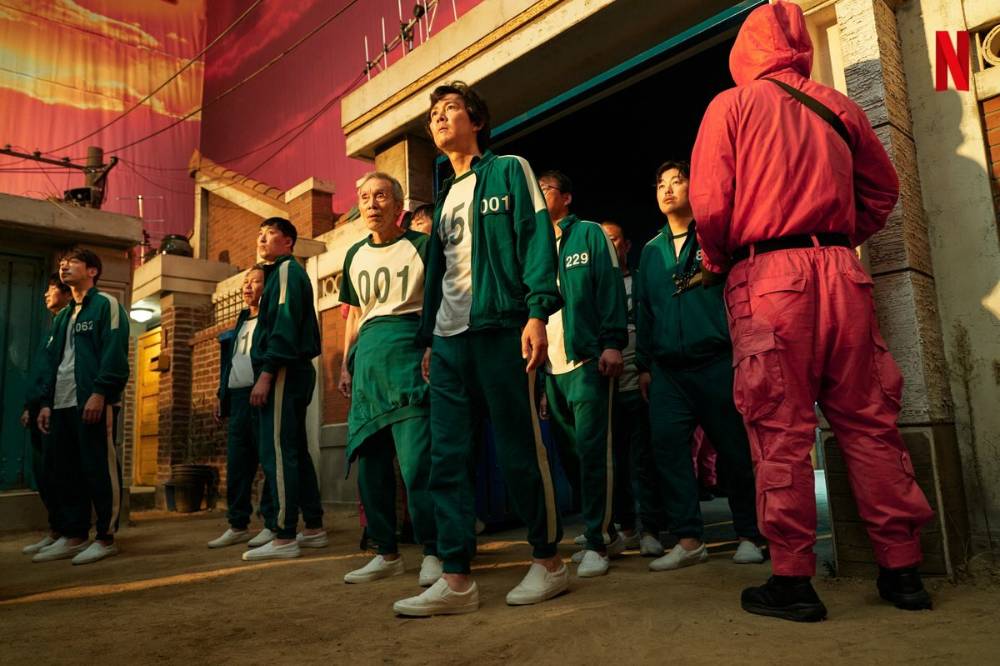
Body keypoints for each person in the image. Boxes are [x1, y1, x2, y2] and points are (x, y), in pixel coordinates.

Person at [690, 0, 935, 621]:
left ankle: (793, 581)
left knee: (780, 430)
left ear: (745, 49)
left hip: (768, 276)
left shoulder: (731, 105)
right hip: (842, 273)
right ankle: (904, 572)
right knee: (869, 423)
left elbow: (710, 204)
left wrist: (719, 259)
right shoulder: (840, 106)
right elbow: (883, 189)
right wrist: (839, 237)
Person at [393, 81, 566, 617]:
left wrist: (536, 312)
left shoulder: (510, 170)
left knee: (518, 449)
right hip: (449, 342)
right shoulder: (445, 196)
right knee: (446, 457)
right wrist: (429, 338)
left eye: (450, 109)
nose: (440, 119)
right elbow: (440, 275)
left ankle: (548, 560)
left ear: (477, 120)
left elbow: (535, 239)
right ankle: (456, 576)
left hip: (501, 328)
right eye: (434, 115)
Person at [636, 161, 763, 574]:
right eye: (660, 183)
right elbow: (645, 311)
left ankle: (751, 534)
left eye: (677, 181)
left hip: (716, 359)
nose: (667, 189)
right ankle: (688, 540)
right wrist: (644, 365)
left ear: (694, 187)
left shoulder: (713, 237)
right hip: (667, 370)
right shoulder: (651, 251)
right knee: (669, 452)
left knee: (734, 450)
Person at [338, 172, 441, 587]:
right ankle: (386, 551)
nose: (371, 203)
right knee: (372, 466)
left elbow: (440, 301)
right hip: (367, 363)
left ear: (398, 206)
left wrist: (432, 344)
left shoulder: (422, 246)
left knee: (418, 465)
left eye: (380, 196)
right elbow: (355, 314)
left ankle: (434, 549)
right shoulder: (354, 255)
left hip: (409, 357)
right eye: (364, 197)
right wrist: (345, 364)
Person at [535, 170, 627, 577]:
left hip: (588, 360)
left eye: (546, 189)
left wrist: (612, 342)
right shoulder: (535, 245)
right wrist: (541, 379)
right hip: (552, 369)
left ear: (567, 197)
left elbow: (609, 286)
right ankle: (604, 530)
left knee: (593, 453)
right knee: (571, 458)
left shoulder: (589, 234)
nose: (539, 195)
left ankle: (598, 540)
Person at [35, 248, 129, 565]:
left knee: (99, 468)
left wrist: (101, 393)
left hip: (92, 400)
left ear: (92, 271)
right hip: (61, 403)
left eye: (72, 262)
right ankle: (74, 535)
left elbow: (115, 353)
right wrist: (46, 403)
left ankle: (105, 537)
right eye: (62, 262)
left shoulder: (106, 305)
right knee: (66, 471)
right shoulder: (63, 317)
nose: (64, 266)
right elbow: (53, 363)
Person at [243, 218, 328, 561]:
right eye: (259, 233)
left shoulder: (287, 271)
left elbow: (285, 325)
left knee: (278, 451)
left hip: (283, 371)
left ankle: (284, 534)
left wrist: (267, 372)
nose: (261, 238)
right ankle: (314, 526)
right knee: (294, 450)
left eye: (270, 233)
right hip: (289, 370)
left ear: (288, 241)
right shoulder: (280, 273)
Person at [600, 221, 667, 558]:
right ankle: (625, 527)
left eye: (613, 239)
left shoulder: (640, 279)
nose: (608, 246)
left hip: (637, 374)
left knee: (643, 456)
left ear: (626, 245)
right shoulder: (595, 282)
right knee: (613, 459)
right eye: (602, 241)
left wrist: (646, 366)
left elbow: (654, 319)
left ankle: (651, 528)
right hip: (603, 380)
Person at [208, 265, 277, 549]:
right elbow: (231, 360)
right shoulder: (240, 319)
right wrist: (221, 393)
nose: (247, 286)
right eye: (245, 282)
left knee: (269, 460)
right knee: (237, 464)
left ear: (268, 287)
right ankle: (237, 524)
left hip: (261, 395)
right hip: (237, 399)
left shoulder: (271, 318)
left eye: (255, 281)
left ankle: (272, 523)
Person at [20, 273, 72, 556]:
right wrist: (30, 405)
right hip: (38, 407)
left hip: (53, 407)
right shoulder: (52, 326)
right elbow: (41, 369)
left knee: (56, 473)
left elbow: (56, 369)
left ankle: (68, 531)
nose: (45, 294)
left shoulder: (68, 323)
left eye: (51, 289)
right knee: (42, 474)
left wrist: (45, 403)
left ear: (66, 293)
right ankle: (55, 530)